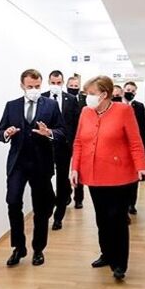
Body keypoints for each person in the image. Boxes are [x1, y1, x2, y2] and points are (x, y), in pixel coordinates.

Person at [70, 76, 145, 281]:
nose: (87, 97)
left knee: (117, 219)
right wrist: (74, 168)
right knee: (102, 218)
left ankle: (120, 263)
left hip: (119, 176)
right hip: (93, 175)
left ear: (104, 94)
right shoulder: (86, 112)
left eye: (91, 93)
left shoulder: (123, 111)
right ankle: (106, 254)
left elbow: (135, 142)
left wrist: (141, 166)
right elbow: (78, 142)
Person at [0, 69, 66, 267]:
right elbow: (0, 132)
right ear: (22, 86)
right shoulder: (11, 106)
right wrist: (7, 133)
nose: (34, 89)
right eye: (30, 86)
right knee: (13, 202)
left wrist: (49, 132)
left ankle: (38, 249)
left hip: (41, 164)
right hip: (18, 164)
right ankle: (19, 247)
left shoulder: (51, 105)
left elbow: (62, 131)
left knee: (41, 208)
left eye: (37, 86)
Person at [42, 70, 81, 230]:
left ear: (63, 83)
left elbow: (75, 124)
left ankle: (59, 216)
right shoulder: (41, 98)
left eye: (58, 83)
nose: (56, 85)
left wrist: (74, 144)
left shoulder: (71, 100)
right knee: (45, 178)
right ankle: (51, 201)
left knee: (62, 180)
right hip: (45, 146)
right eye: (53, 83)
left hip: (64, 146)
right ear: (48, 82)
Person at [122, 81, 145, 215]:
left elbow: (143, 129)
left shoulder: (139, 107)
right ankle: (122, 205)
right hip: (120, 147)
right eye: (128, 90)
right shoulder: (116, 105)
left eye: (132, 91)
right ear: (123, 90)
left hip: (134, 146)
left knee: (134, 178)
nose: (130, 92)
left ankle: (131, 204)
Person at [66, 75, 86, 209]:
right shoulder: (62, 100)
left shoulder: (84, 100)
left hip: (81, 140)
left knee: (79, 170)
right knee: (64, 169)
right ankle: (66, 193)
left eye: (76, 86)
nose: (73, 88)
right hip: (66, 140)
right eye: (71, 86)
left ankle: (79, 199)